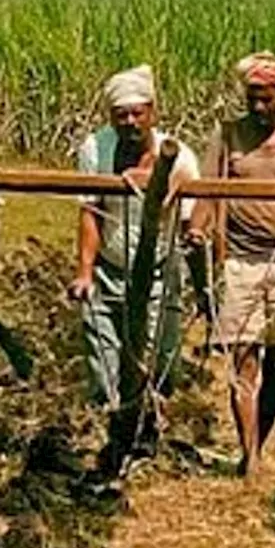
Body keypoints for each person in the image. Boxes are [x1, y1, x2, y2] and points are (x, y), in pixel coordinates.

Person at [187, 51, 275, 478]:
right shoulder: (228, 135)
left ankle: (258, 441)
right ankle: (251, 456)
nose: (258, 107)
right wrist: (197, 228)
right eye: (252, 99)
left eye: (267, 99)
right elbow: (207, 191)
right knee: (243, 360)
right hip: (240, 263)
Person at [68, 64, 201, 408]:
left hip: (160, 265)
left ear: (152, 113)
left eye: (137, 114)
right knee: (102, 345)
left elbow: (191, 222)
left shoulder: (181, 156)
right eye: (121, 115)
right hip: (109, 264)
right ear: (110, 117)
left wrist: (198, 268)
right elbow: (90, 212)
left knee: (161, 351)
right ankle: (108, 413)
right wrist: (84, 272)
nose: (129, 122)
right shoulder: (96, 149)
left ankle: (156, 414)